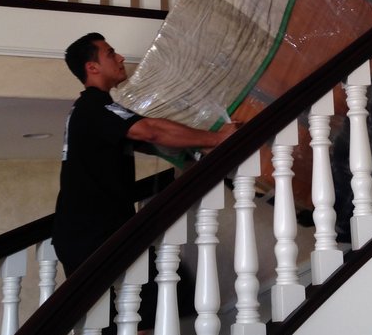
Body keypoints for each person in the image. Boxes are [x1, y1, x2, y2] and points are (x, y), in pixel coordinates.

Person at [52, 31, 240, 276]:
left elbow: (154, 142)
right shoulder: (94, 106)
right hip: (92, 234)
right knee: (170, 292)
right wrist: (217, 138)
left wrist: (199, 146)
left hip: (91, 233)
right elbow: (150, 131)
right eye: (110, 53)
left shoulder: (93, 110)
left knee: (155, 296)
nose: (120, 58)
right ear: (92, 67)